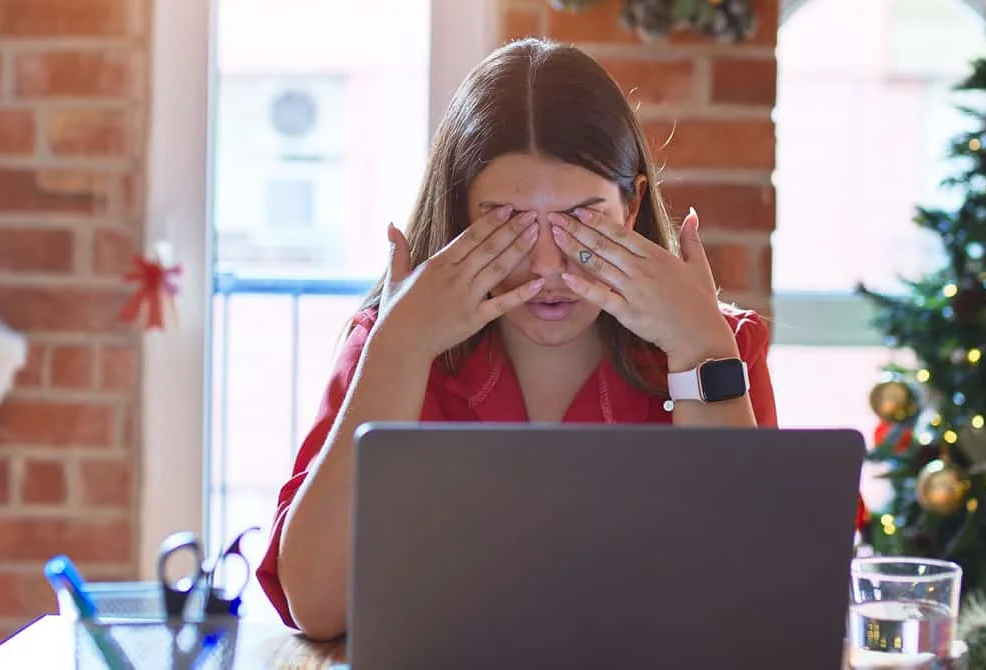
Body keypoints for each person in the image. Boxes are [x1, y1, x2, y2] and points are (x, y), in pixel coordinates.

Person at [253, 38, 779, 640]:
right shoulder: (391, 342)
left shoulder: (719, 347)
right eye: (508, 224)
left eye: (583, 221)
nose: (548, 268)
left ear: (631, 205)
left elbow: (755, 605)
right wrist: (398, 350)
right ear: (460, 217)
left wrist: (698, 352)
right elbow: (318, 607)